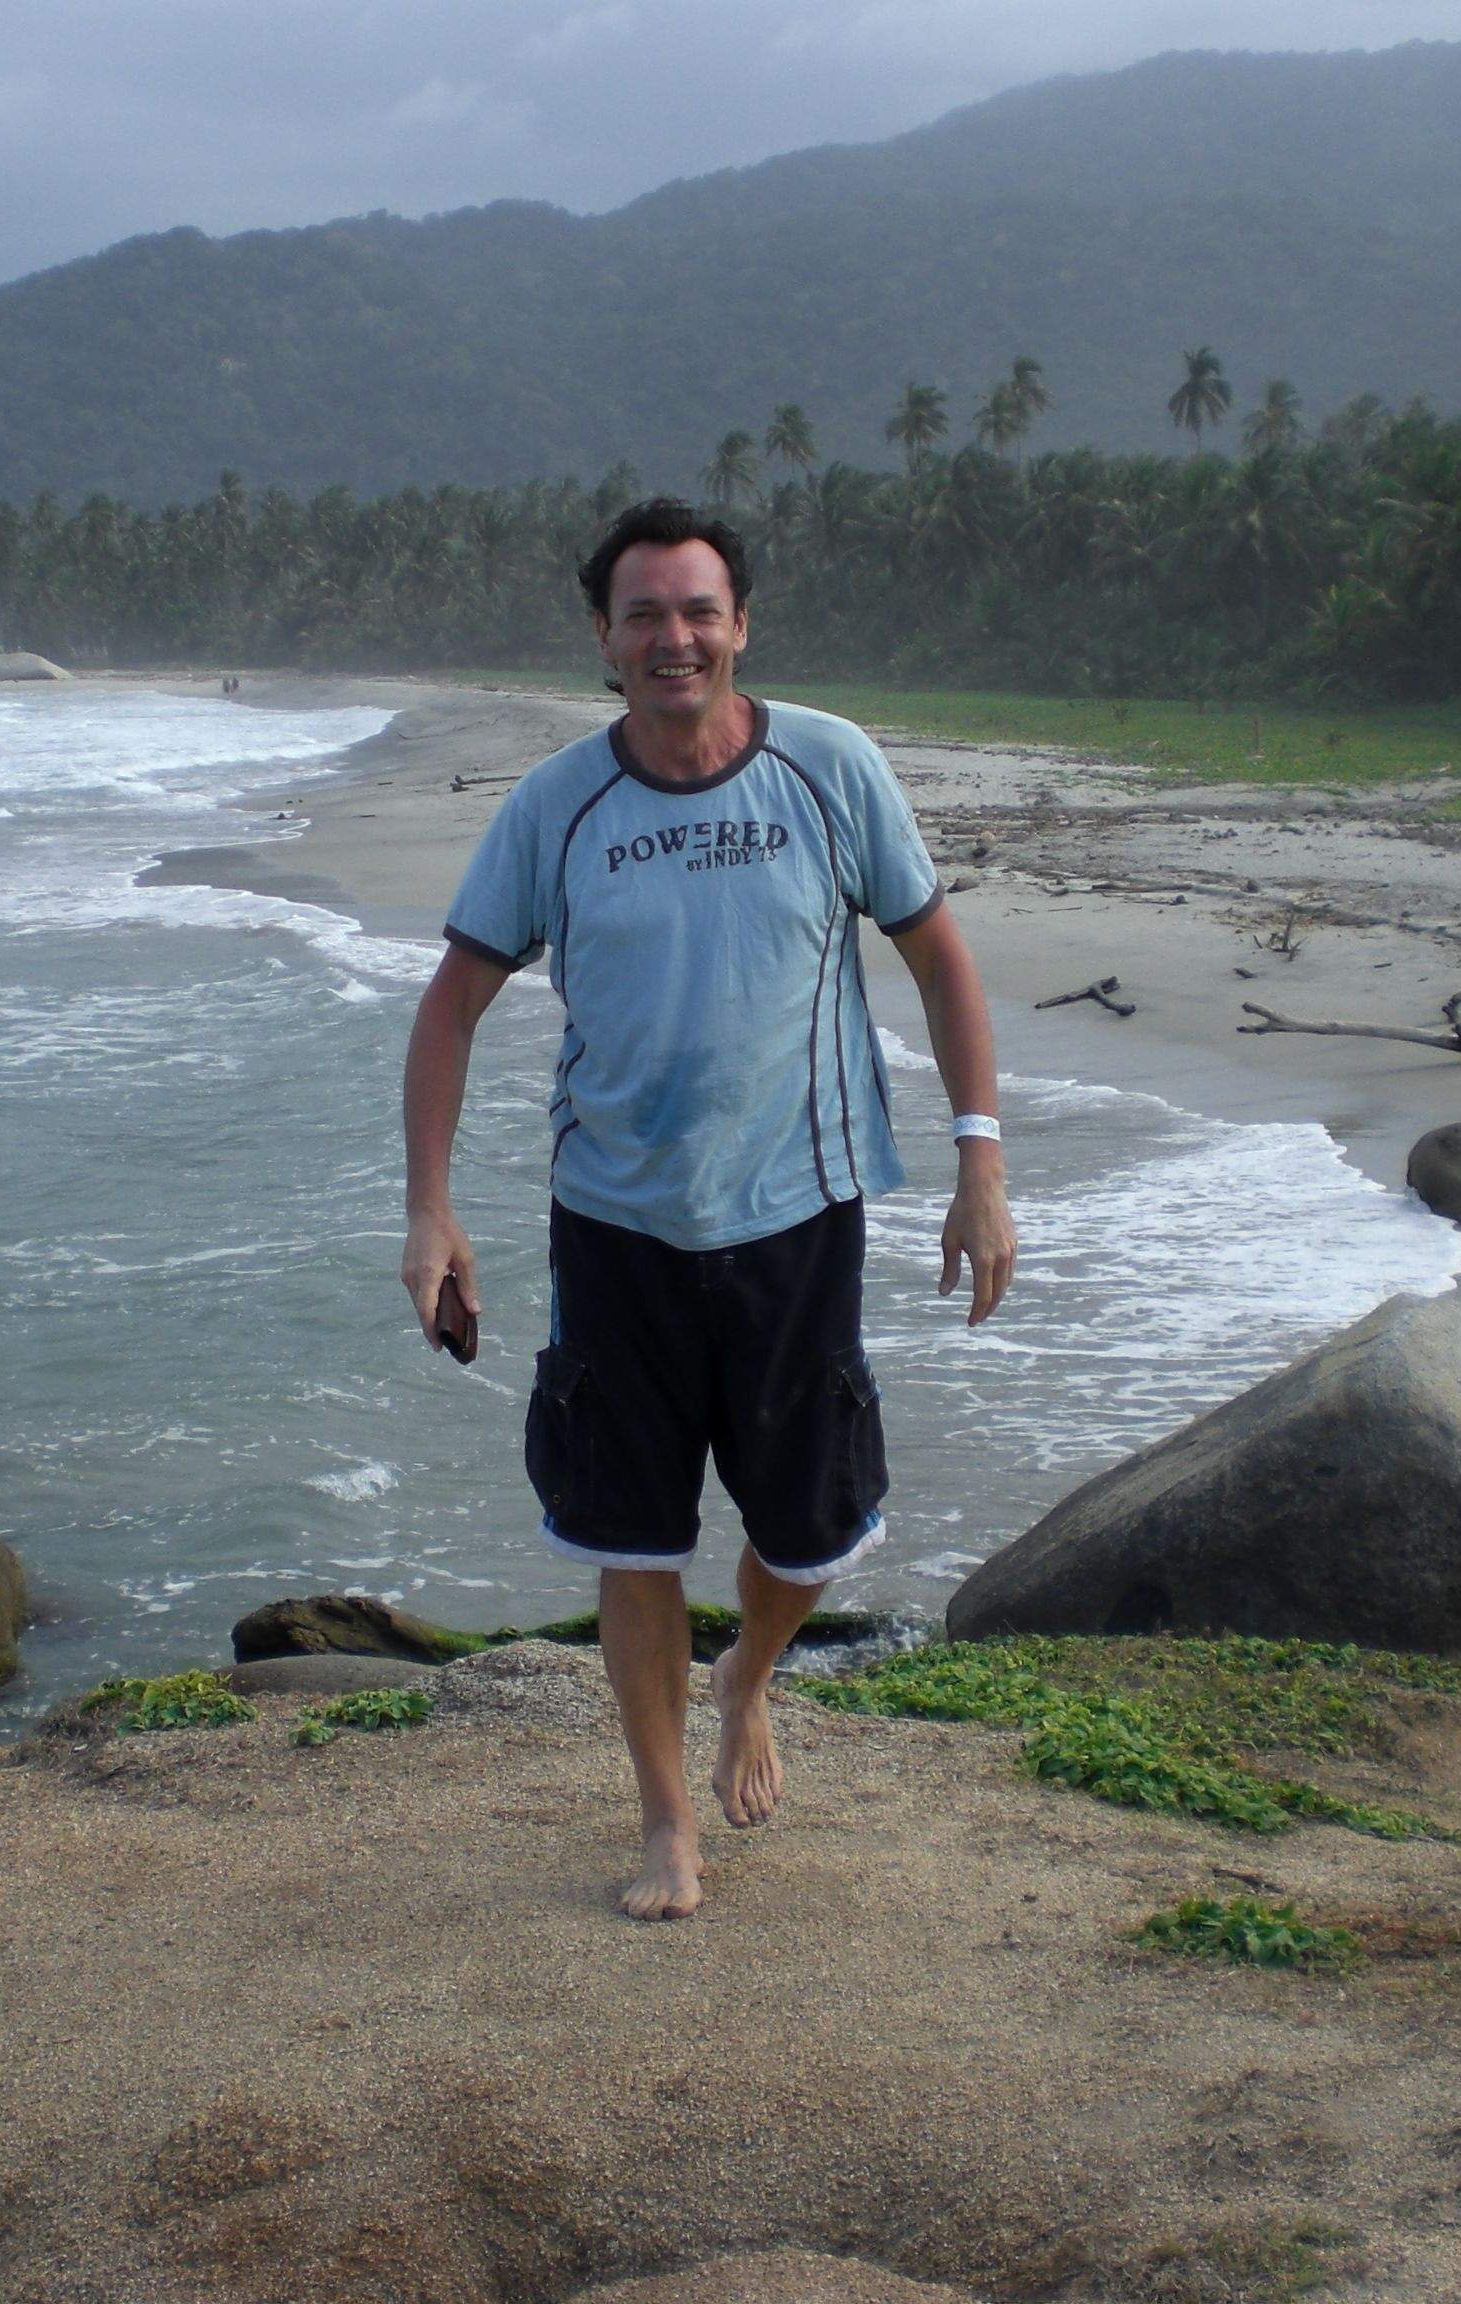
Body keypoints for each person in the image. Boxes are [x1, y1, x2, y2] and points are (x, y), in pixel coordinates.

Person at [400, 498, 1015, 1921]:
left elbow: (940, 959)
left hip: (798, 1212)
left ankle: (747, 1672)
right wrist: (431, 1212)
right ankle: (665, 1821)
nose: (672, 638)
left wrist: (978, 1162)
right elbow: (451, 1010)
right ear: (604, 641)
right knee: (629, 1535)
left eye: (696, 611)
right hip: (614, 1225)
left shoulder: (829, 769)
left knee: (811, 1529)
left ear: (740, 624)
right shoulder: (557, 807)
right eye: (642, 615)